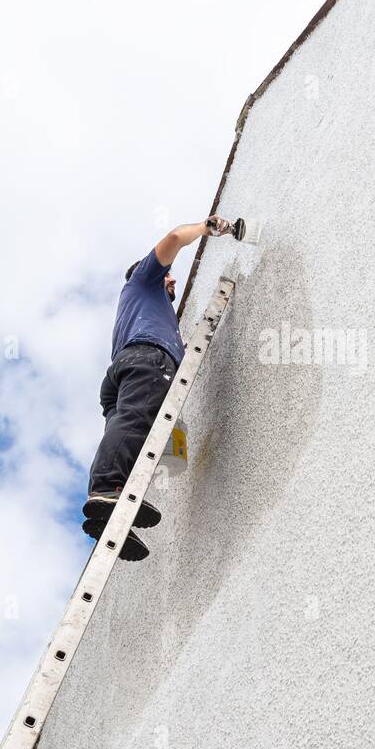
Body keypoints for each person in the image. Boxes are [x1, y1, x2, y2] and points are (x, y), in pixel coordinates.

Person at [82, 215, 233, 559]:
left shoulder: (146, 309)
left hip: (124, 373)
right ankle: (105, 488)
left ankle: (112, 518)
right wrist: (207, 229)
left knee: (130, 437)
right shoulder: (143, 282)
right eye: (168, 274)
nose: (173, 278)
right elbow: (176, 237)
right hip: (146, 360)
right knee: (136, 422)